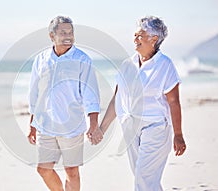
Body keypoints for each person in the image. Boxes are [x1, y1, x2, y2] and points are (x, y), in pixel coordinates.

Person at [95, 16, 186, 191]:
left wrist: (178, 134)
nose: (135, 39)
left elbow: (174, 102)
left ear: (154, 39)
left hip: (156, 128)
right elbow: (117, 99)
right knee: (144, 178)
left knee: (143, 178)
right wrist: (101, 129)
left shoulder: (164, 65)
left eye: (140, 35)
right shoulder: (127, 65)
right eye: (135, 35)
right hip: (130, 127)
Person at [27, 16, 103, 191]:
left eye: (71, 32)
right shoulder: (41, 59)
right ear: (52, 36)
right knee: (43, 169)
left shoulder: (82, 59)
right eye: (63, 33)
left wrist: (93, 125)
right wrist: (32, 124)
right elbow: (34, 94)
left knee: (71, 171)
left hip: (71, 126)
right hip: (45, 126)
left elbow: (91, 95)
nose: (68, 36)